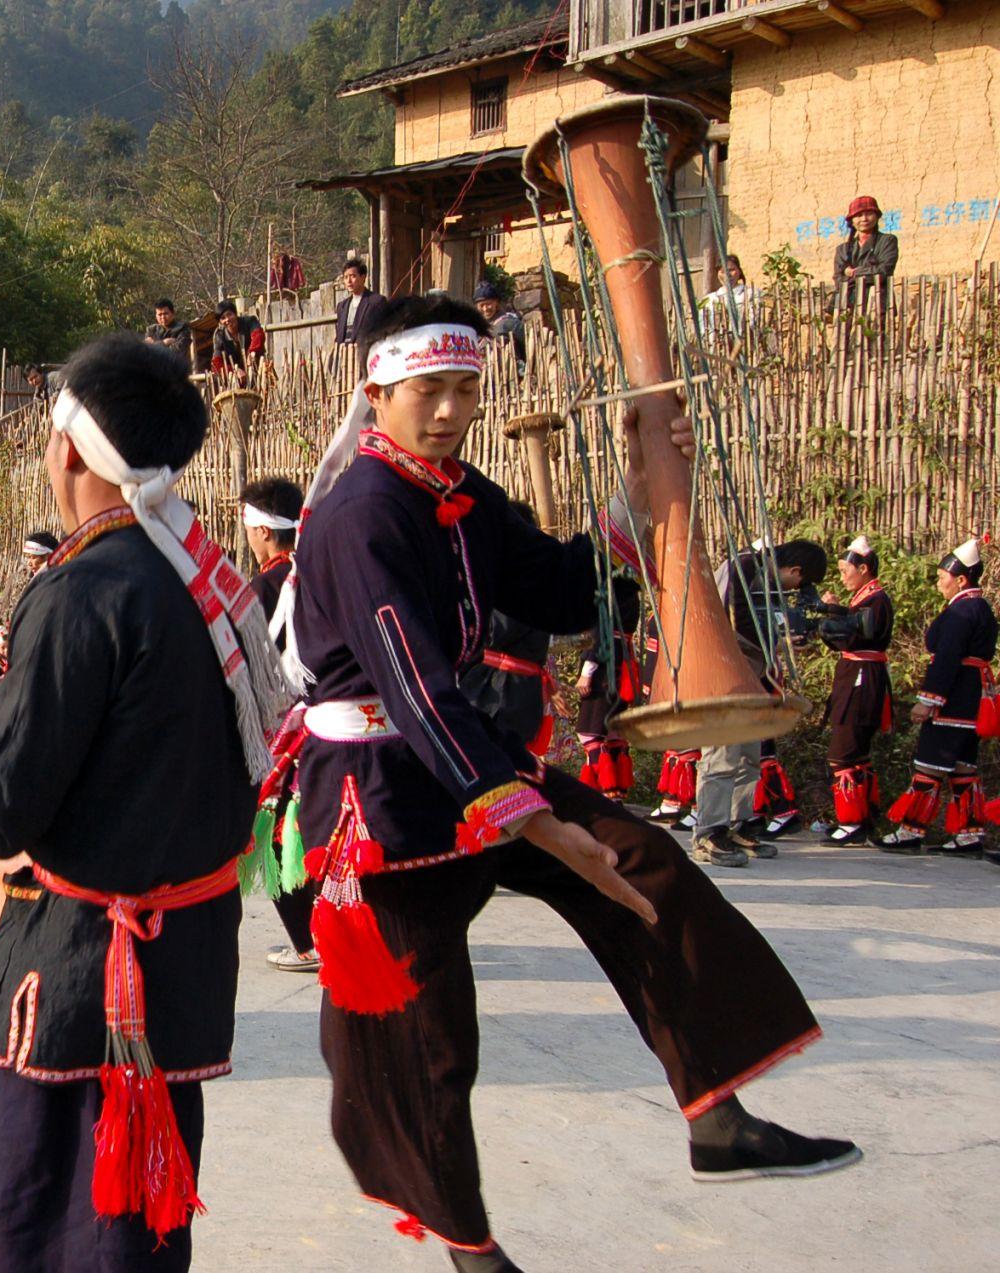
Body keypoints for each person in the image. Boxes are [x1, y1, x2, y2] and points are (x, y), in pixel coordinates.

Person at [290, 296, 858, 1270]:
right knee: (428, 1034)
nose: (451, 410)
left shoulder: (462, 493)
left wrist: (644, 490)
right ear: (375, 389)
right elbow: (414, 684)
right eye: (430, 390)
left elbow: (559, 588)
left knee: (643, 867)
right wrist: (537, 823)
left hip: (458, 750)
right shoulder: (362, 513)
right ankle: (472, 1251)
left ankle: (717, 1118)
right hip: (380, 789)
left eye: (466, 389)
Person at [0, 333, 286, 1272]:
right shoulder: (207, 586)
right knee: (18, 1204)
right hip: (172, 981)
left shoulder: (85, 591)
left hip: (84, 993)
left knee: (49, 1233)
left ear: (67, 447)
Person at [691, 539, 826, 866]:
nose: (797, 589)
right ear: (796, 571)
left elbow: (760, 626)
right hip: (726, 671)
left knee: (749, 755)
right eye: (801, 582)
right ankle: (709, 833)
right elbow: (734, 620)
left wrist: (787, 638)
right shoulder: (746, 568)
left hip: (752, 673)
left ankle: (738, 824)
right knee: (721, 754)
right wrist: (781, 634)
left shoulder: (762, 575)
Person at [240, 475, 317, 972]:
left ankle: (309, 942)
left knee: (277, 832)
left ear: (264, 531)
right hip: (336, 721)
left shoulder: (267, 586)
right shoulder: (322, 575)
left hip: (285, 732)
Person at [881, 540, 997, 860]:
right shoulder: (981, 608)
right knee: (962, 769)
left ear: (961, 579)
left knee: (929, 765)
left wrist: (929, 701)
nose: (938, 582)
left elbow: (946, 659)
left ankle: (910, 830)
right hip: (971, 700)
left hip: (952, 701)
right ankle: (969, 833)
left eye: (942, 576)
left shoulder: (961, 611)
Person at [809, 536, 895, 844]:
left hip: (862, 678)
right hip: (856, 674)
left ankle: (853, 820)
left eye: (847, 570)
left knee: (844, 752)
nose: (843, 575)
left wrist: (833, 613)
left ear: (863, 569)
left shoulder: (877, 600)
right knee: (855, 751)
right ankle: (862, 818)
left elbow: (857, 633)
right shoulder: (864, 599)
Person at [459, 502, 556, 762]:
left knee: (496, 765)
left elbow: (491, 632)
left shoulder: (526, 581)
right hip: (498, 686)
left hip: (504, 692)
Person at [575, 575, 641, 800]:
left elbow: (600, 632)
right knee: (613, 732)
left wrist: (586, 672)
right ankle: (616, 792)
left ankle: (601, 793)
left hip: (604, 666)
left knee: (590, 733)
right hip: (623, 662)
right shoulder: (632, 592)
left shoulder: (609, 589)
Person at [832, 195, 898, 309]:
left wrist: (853, 273)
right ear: (852, 221)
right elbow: (839, 279)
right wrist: (868, 272)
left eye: (869, 214)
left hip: (878, 305)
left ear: (877, 217)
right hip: (848, 306)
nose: (864, 219)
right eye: (858, 215)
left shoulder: (887, 241)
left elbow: (884, 271)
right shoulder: (842, 249)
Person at [333, 258, 386, 348]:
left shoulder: (376, 302)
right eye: (346, 277)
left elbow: (381, 332)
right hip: (344, 355)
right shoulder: (342, 306)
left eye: (353, 276)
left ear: (363, 277)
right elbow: (340, 336)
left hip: (364, 353)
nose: (349, 281)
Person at [473, 281, 527, 368]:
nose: (485, 309)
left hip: (510, 375)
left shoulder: (510, 323)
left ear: (496, 303)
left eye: (489, 304)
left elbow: (528, 346)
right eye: (481, 305)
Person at [210, 300, 266, 383]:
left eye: (229, 314)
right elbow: (216, 363)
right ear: (220, 322)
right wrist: (234, 370)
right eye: (223, 318)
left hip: (259, 372)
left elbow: (258, 335)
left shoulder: (250, 321)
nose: (227, 319)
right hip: (237, 381)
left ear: (235, 314)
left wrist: (252, 352)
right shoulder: (219, 336)